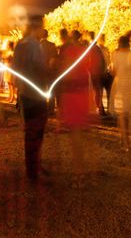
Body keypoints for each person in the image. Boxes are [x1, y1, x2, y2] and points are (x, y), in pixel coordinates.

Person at [12, 16, 48, 183]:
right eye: (43, 27)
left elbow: (15, 69)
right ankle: (33, 171)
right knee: (36, 131)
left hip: (26, 93)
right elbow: (39, 68)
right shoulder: (35, 45)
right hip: (36, 93)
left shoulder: (20, 44)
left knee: (30, 131)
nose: (44, 30)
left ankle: (33, 166)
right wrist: (52, 71)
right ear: (36, 28)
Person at [57, 29, 93, 181]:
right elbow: (88, 68)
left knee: (75, 135)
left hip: (72, 93)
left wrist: (59, 68)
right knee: (81, 134)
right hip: (82, 93)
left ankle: (79, 173)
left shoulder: (71, 51)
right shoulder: (84, 51)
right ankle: (85, 169)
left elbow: (69, 72)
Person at [109, 35, 131, 151]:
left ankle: (125, 141)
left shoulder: (115, 54)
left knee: (122, 114)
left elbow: (113, 71)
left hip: (119, 84)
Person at [87, 31, 108, 116]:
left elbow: (90, 60)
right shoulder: (96, 48)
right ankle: (100, 108)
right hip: (97, 71)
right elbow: (102, 61)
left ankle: (100, 108)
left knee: (97, 90)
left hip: (94, 72)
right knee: (98, 90)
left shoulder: (91, 48)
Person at [40, 29, 58, 115]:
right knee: (51, 90)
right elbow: (54, 59)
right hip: (50, 72)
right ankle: (51, 108)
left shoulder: (37, 45)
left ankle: (43, 108)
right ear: (47, 35)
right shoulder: (52, 45)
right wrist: (50, 68)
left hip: (41, 72)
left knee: (41, 90)